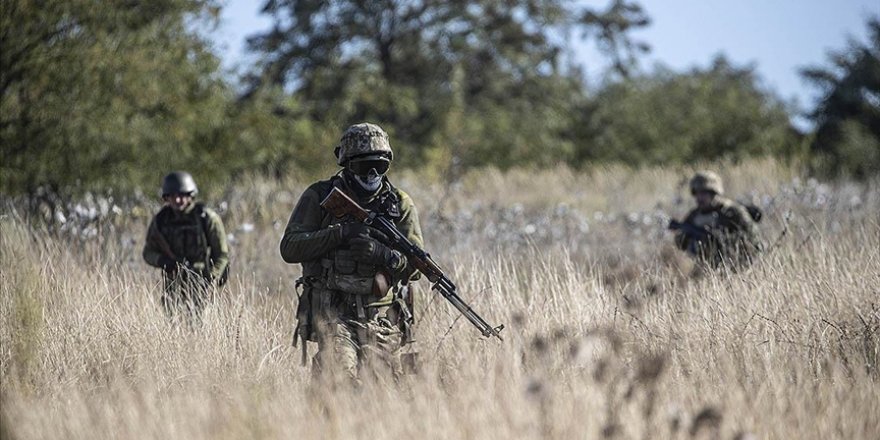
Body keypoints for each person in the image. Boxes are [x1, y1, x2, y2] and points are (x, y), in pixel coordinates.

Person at [280, 122, 423, 386]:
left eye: (379, 166)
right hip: (334, 314)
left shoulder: (400, 203)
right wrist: (340, 234)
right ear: (346, 164)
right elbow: (290, 247)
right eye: (362, 166)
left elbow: (416, 266)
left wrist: (384, 255)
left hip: (382, 320)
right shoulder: (321, 196)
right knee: (340, 380)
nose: (371, 174)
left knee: (384, 389)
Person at [143, 171, 229, 323]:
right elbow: (148, 252)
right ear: (166, 198)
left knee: (200, 325)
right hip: (173, 283)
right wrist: (162, 261)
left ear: (191, 195)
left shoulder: (206, 218)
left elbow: (222, 254)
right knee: (172, 327)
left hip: (201, 282)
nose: (178, 200)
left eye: (182, 195)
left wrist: (212, 279)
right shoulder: (161, 220)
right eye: (173, 196)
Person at [669, 171, 762, 271]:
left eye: (704, 193)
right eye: (696, 193)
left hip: (738, 265)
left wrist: (724, 240)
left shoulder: (733, 212)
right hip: (705, 268)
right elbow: (680, 244)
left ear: (714, 193)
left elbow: (753, 239)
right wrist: (686, 236)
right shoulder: (694, 215)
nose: (699, 198)